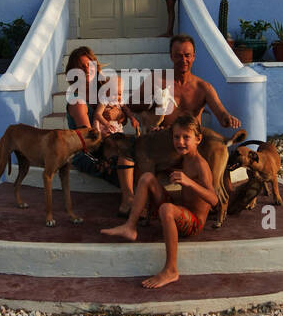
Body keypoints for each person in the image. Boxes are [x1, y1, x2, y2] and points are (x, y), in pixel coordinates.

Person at [101, 114, 215, 288]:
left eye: (186, 137)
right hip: (182, 210)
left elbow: (213, 199)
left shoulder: (200, 164)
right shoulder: (184, 157)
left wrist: (189, 182)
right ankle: (130, 226)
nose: (180, 142)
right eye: (176, 137)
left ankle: (171, 269)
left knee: (167, 209)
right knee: (147, 177)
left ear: (198, 139)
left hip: (193, 222)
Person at [64, 46, 137, 213]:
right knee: (123, 156)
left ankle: (131, 201)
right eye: (80, 67)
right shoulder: (77, 101)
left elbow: (122, 114)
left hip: (109, 141)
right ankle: (128, 201)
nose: (86, 70)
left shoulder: (104, 89)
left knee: (136, 153)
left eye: (88, 65)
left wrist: (117, 113)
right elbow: (90, 137)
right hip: (87, 151)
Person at [155, 35, 242, 132]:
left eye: (187, 55)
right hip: (165, 139)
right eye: (178, 56)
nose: (183, 60)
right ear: (171, 57)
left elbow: (221, 113)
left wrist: (228, 118)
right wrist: (149, 122)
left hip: (192, 141)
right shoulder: (157, 82)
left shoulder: (203, 87)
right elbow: (136, 105)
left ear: (193, 57)